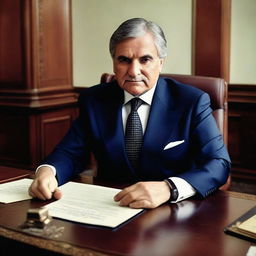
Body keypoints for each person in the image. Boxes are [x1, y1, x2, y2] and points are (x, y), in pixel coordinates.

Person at [29, 18, 231, 209]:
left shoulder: (191, 101)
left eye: (145, 60)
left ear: (160, 63)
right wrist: (48, 171)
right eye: (124, 60)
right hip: (110, 207)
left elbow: (218, 164)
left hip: (173, 211)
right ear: (114, 62)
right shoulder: (94, 100)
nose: (134, 71)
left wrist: (169, 188)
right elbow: (69, 153)